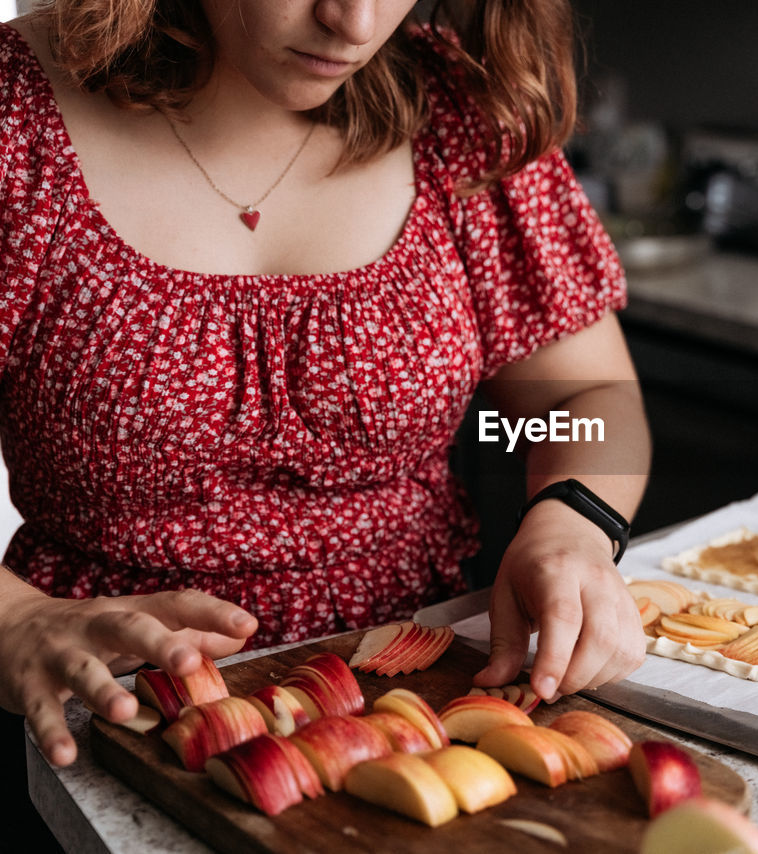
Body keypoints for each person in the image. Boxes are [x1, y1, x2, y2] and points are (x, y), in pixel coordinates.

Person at [0, 0, 651, 782]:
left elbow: (571, 403)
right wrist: (16, 618)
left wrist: (571, 520)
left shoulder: (458, 103)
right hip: (106, 712)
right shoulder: (16, 117)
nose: (355, 22)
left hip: (422, 698)